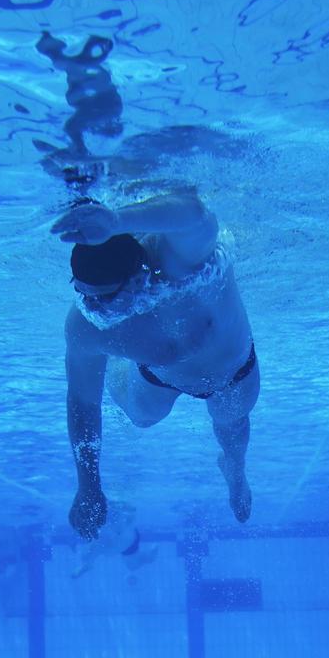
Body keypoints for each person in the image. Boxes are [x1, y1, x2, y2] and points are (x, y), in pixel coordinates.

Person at [58, 188, 259, 539]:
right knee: (142, 419)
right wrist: (88, 485)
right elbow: (83, 402)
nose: (98, 310)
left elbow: (195, 210)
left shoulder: (182, 262)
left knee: (232, 427)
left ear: (139, 276)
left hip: (232, 375)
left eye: (107, 297)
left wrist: (118, 220)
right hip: (154, 377)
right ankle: (124, 369)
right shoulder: (85, 323)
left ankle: (235, 472)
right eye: (84, 295)